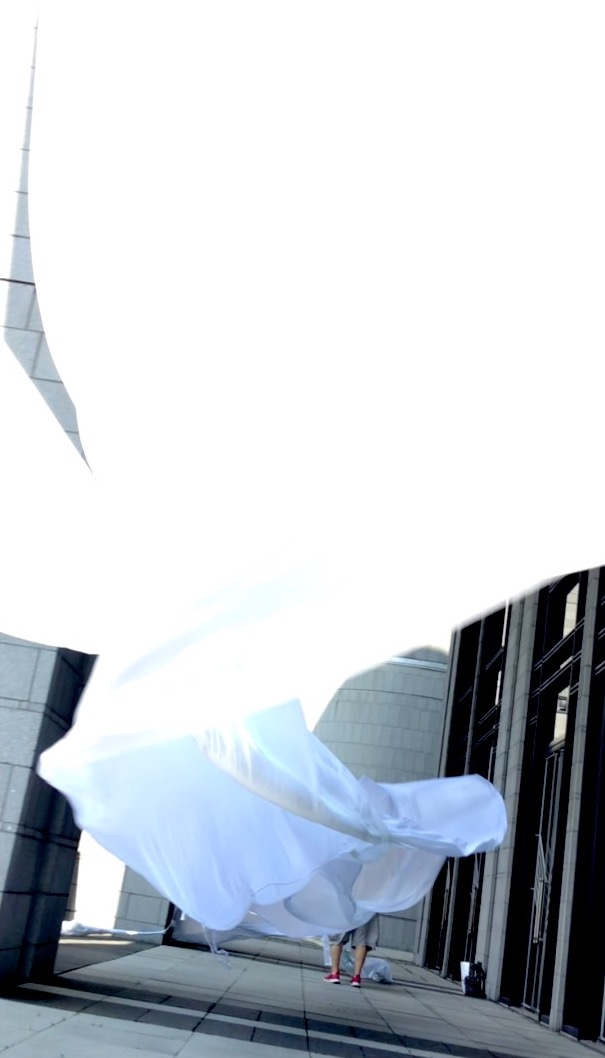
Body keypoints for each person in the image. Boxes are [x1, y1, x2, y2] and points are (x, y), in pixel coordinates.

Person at [323, 914, 379, 987]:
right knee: (361, 942)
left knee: (337, 938)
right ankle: (356, 977)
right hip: (365, 911)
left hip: (346, 910)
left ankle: (334, 974)